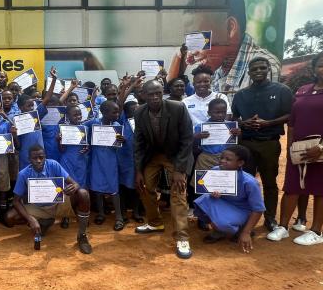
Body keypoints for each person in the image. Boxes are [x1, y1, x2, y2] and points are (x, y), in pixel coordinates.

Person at [167, 0, 281, 93]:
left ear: (230, 28)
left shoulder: (265, 66)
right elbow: (170, 90)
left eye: (199, 39)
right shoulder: (218, 69)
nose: (193, 51)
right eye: (191, 41)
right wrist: (179, 56)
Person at [133, 79, 195, 259]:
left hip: (176, 155)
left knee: (178, 192)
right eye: (150, 94)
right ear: (143, 95)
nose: (154, 97)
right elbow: (139, 142)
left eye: (158, 93)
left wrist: (179, 170)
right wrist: (138, 170)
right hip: (153, 155)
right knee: (144, 186)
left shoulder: (177, 108)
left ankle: (182, 237)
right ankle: (154, 222)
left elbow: (187, 140)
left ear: (163, 93)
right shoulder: (139, 112)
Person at [231, 57, 293, 231]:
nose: (258, 71)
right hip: (246, 144)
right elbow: (234, 117)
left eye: (262, 68)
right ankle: (245, 219)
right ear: (249, 72)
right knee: (246, 183)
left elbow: (290, 115)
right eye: (254, 69)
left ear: (268, 70)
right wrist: (244, 123)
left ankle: (270, 217)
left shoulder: (282, 90)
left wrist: (269, 123)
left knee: (269, 182)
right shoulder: (241, 94)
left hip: (269, 143)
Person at [268, 52, 323, 245]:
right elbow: (292, 122)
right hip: (299, 149)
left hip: (319, 150)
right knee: (292, 187)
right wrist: (291, 147)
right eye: (320, 65)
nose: (322, 69)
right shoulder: (303, 90)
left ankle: (316, 231)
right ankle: (283, 226)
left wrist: (321, 148)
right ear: (314, 68)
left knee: (319, 189)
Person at [7, 145, 93, 254]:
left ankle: (82, 235)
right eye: (35, 158)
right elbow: (16, 201)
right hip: (38, 208)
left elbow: (75, 183)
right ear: (29, 159)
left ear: (45, 157)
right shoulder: (23, 174)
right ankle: (45, 221)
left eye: (41, 157)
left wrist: (74, 187)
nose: (39, 161)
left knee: (83, 194)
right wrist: (30, 219)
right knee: (10, 218)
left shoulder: (53, 164)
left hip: (58, 204)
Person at [194, 145, 264, 252]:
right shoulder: (215, 171)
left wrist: (246, 232)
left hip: (242, 211)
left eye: (228, 159)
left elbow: (258, 209)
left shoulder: (250, 182)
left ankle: (241, 229)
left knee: (222, 222)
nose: (223, 161)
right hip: (224, 206)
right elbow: (206, 190)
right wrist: (212, 194)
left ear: (240, 163)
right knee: (204, 200)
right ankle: (219, 231)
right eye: (222, 158)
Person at [84, 101, 126, 230]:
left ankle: (119, 217)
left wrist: (123, 140)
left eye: (118, 111)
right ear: (104, 112)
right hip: (96, 161)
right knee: (97, 189)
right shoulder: (93, 123)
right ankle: (101, 214)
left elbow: (121, 143)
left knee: (114, 189)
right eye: (114, 112)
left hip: (110, 162)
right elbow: (80, 128)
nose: (117, 114)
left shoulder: (117, 125)